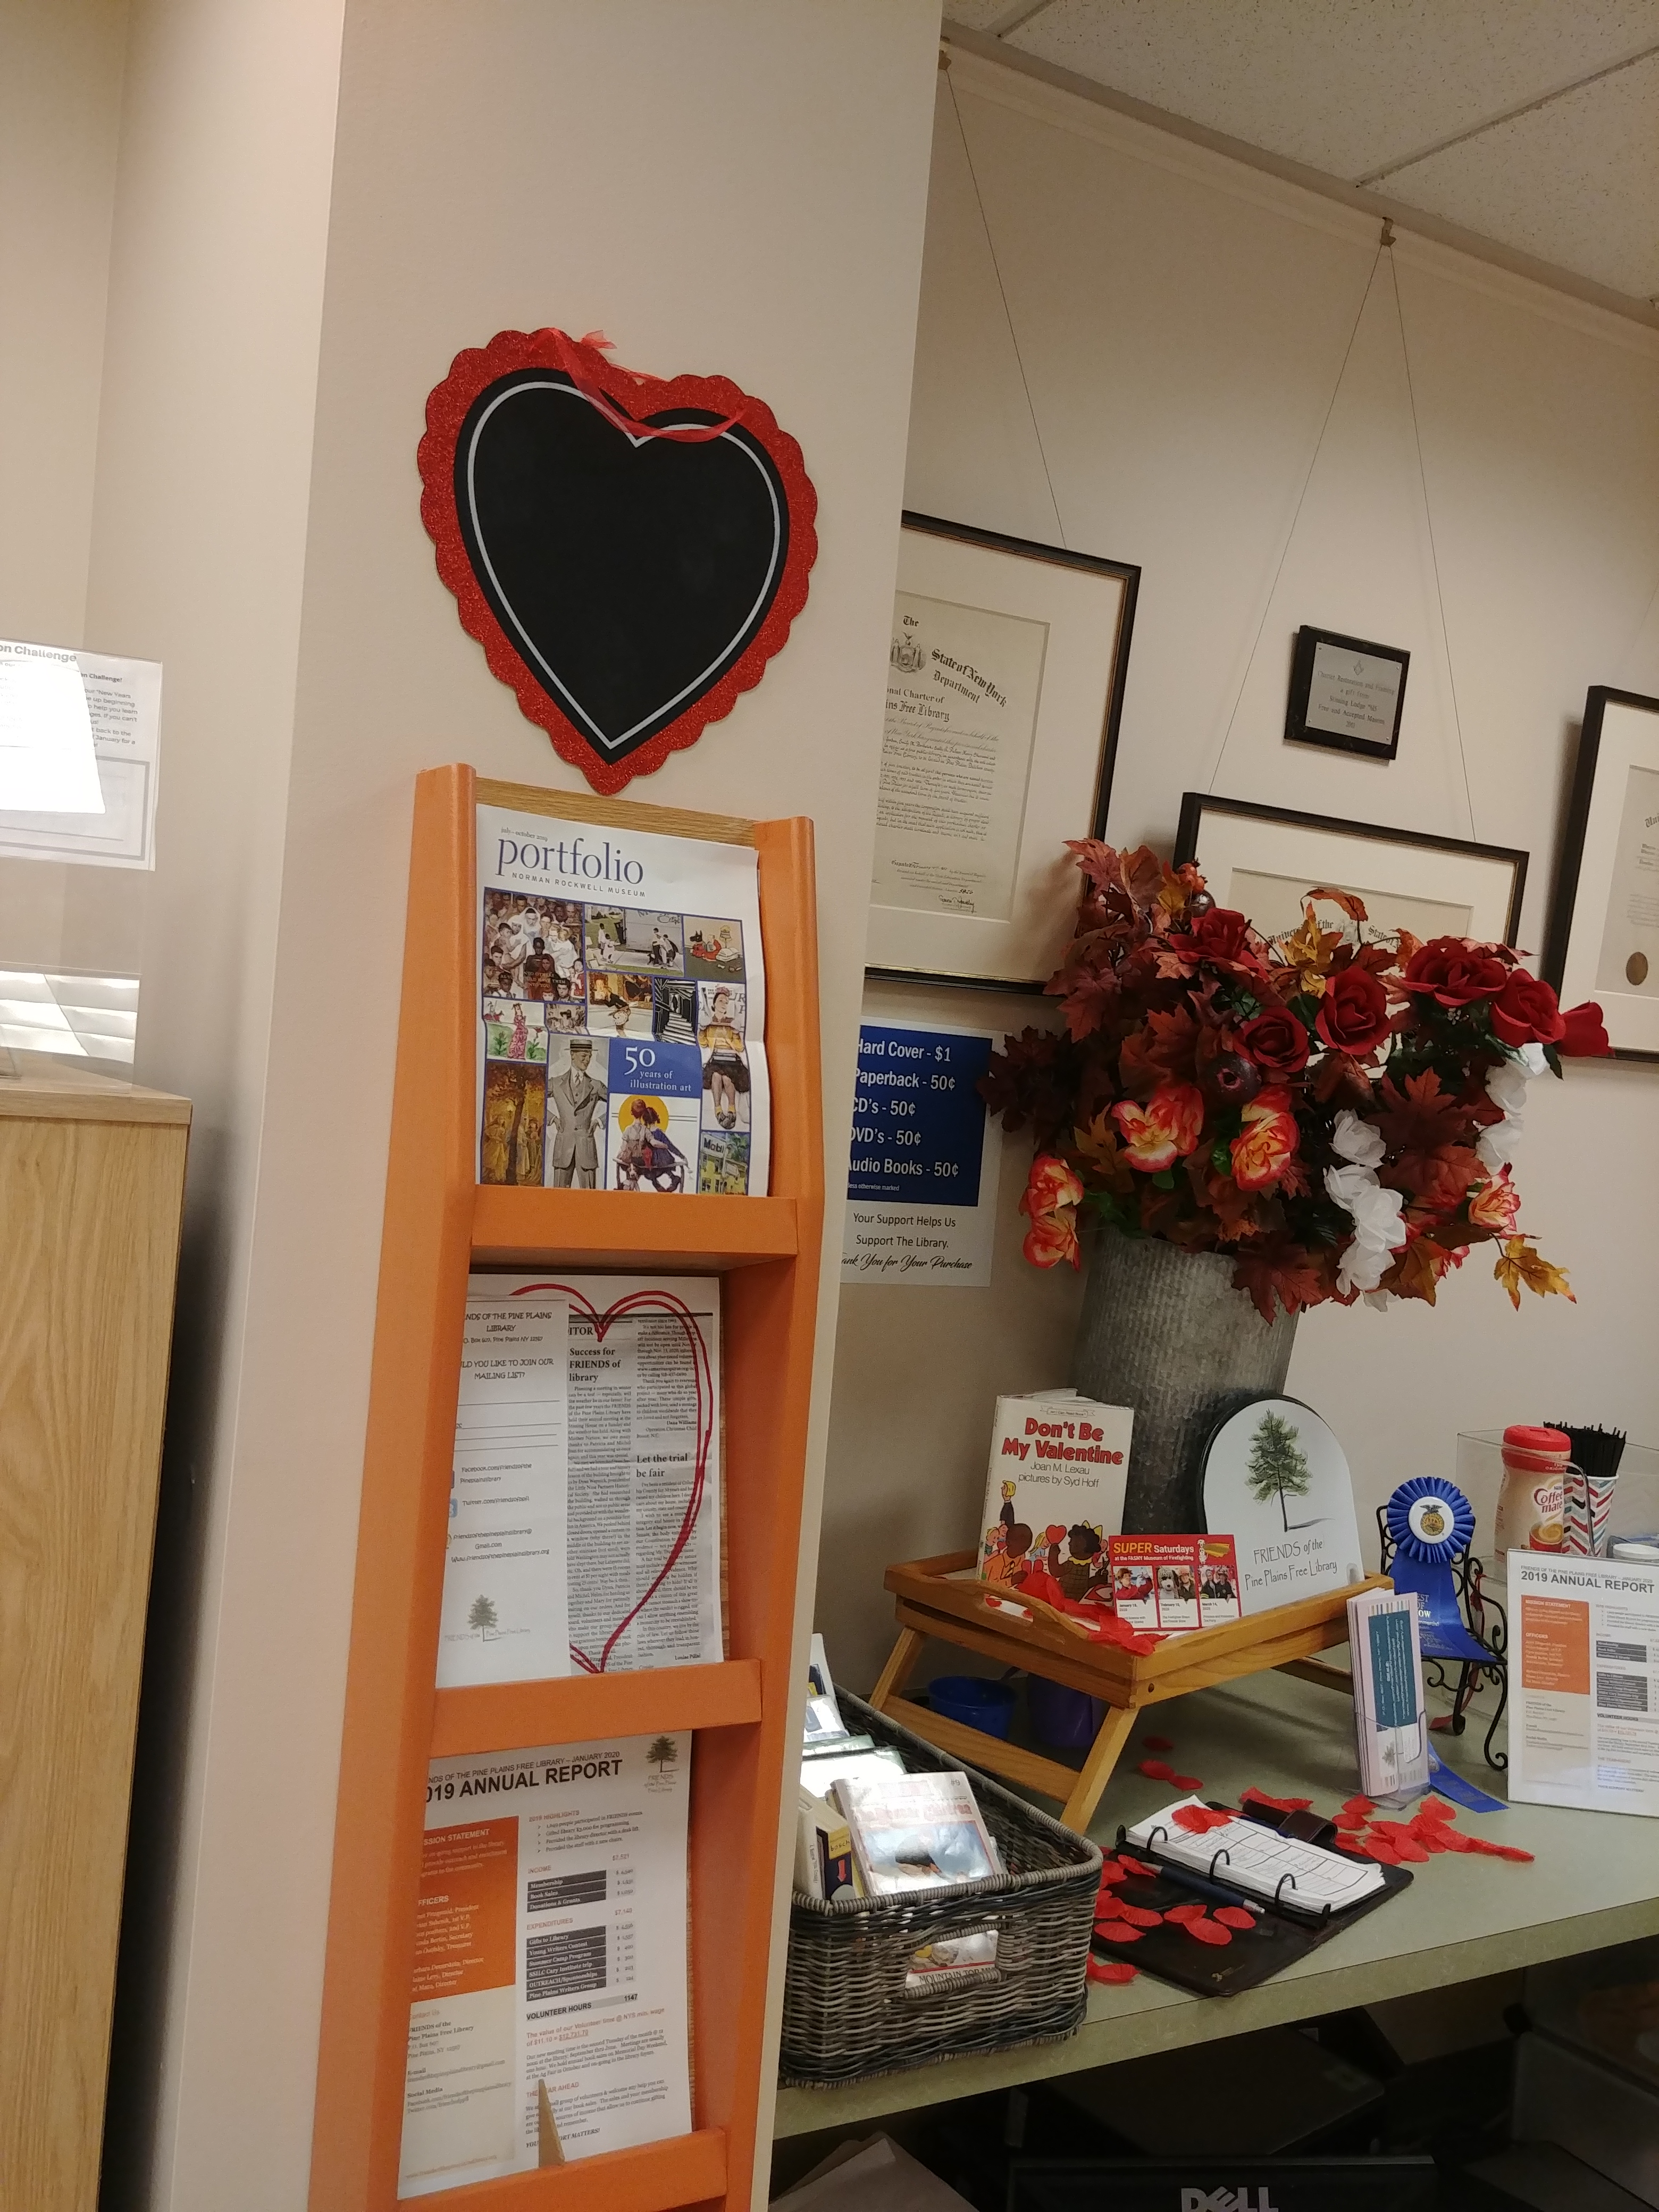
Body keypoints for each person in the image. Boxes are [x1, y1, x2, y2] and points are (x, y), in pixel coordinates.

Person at [545, 1039, 606, 1188]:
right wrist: (552, 1118)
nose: (587, 1060)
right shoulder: (555, 1083)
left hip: (587, 1150)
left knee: (589, 1197)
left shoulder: (596, 1085)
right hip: (563, 1148)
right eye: (584, 1056)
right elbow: (533, 1097)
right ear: (573, 1055)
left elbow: (619, 1101)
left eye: (590, 1056)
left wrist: (599, 1121)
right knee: (558, 1196)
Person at [698, 985, 749, 1130]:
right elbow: (703, 1043)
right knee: (715, 1076)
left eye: (726, 1002)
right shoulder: (710, 1022)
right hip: (716, 1058)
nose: (724, 1004)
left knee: (727, 1078)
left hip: (731, 1059)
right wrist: (702, 1029)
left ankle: (732, 1109)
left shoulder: (731, 1022)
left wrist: (736, 1033)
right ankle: (718, 1110)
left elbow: (740, 1047)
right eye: (721, 1001)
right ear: (714, 1004)